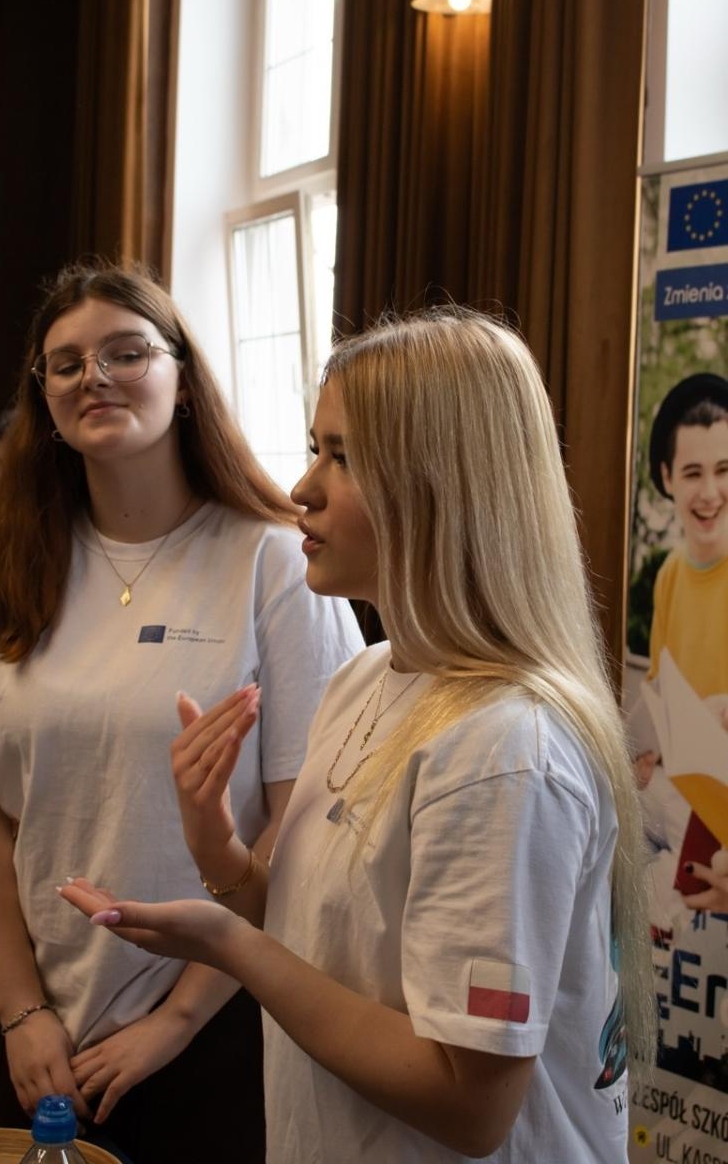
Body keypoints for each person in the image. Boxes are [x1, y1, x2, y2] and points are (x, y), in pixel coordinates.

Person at [62, 309, 655, 1163]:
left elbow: (468, 1102)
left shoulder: (503, 751)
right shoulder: (364, 678)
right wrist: (224, 859)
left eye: (341, 457)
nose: (301, 488)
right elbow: (332, 941)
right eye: (316, 447)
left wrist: (228, 945)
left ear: (441, 485)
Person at [0, 261, 363, 1164]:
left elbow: (303, 819)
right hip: (36, 1033)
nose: (93, 376)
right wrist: (20, 1013)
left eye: (126, 352)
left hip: (222, 1021)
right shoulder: (6, 572)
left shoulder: (274, 561)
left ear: (183, 377)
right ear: (43, 399)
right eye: (65, 364)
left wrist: (173, 1021)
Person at [637, 373, 728, 914]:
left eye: (725, 470)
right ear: (667, 477)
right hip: (686, 807)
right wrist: (642, 746)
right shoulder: (671, 575)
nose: (711, 493)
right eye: (693, 472)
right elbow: (660, 687)